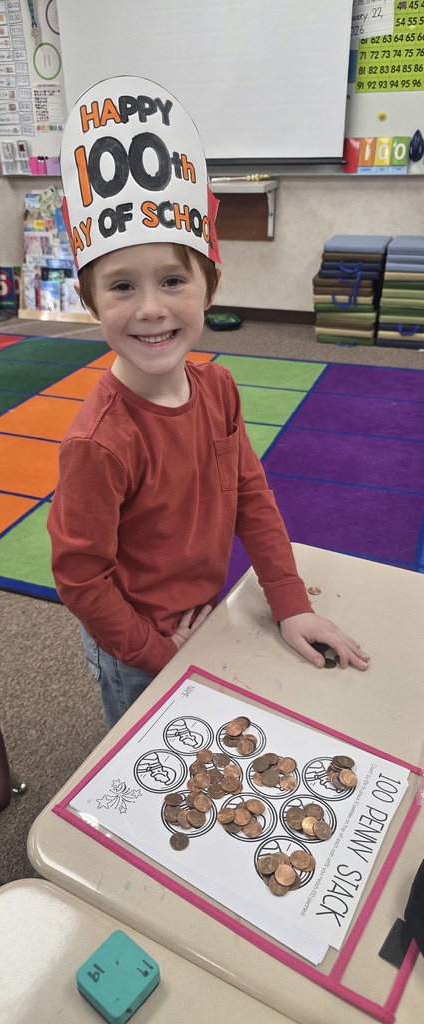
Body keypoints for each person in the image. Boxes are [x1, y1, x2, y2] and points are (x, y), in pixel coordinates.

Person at [48, 75, 369, 729]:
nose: (150, 309)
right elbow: (81, 579)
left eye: (172, 279)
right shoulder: (99, 442)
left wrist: (288, 603)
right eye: (120, 287)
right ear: (91, 303)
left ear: (209, 285)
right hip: (135, 645)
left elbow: (250, 493)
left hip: (202, 613)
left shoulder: (217, 388)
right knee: (146, 762)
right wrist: (158, 653)